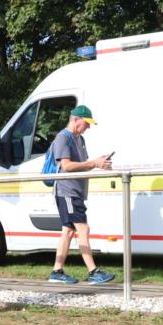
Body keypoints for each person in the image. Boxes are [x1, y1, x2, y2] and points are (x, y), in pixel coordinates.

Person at [48, 105, 116, 284]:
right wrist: (94, 163)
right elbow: (67, 166)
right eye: (86, 123)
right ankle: (93, 271)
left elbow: (83, 163)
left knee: (68, 232)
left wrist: (98, 161)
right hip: (67, 191)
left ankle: (57, 272)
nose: (89, 127)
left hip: (74, 192)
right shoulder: (63, 137)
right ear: (75, 119)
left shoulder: (79, 139)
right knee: (83, 229)